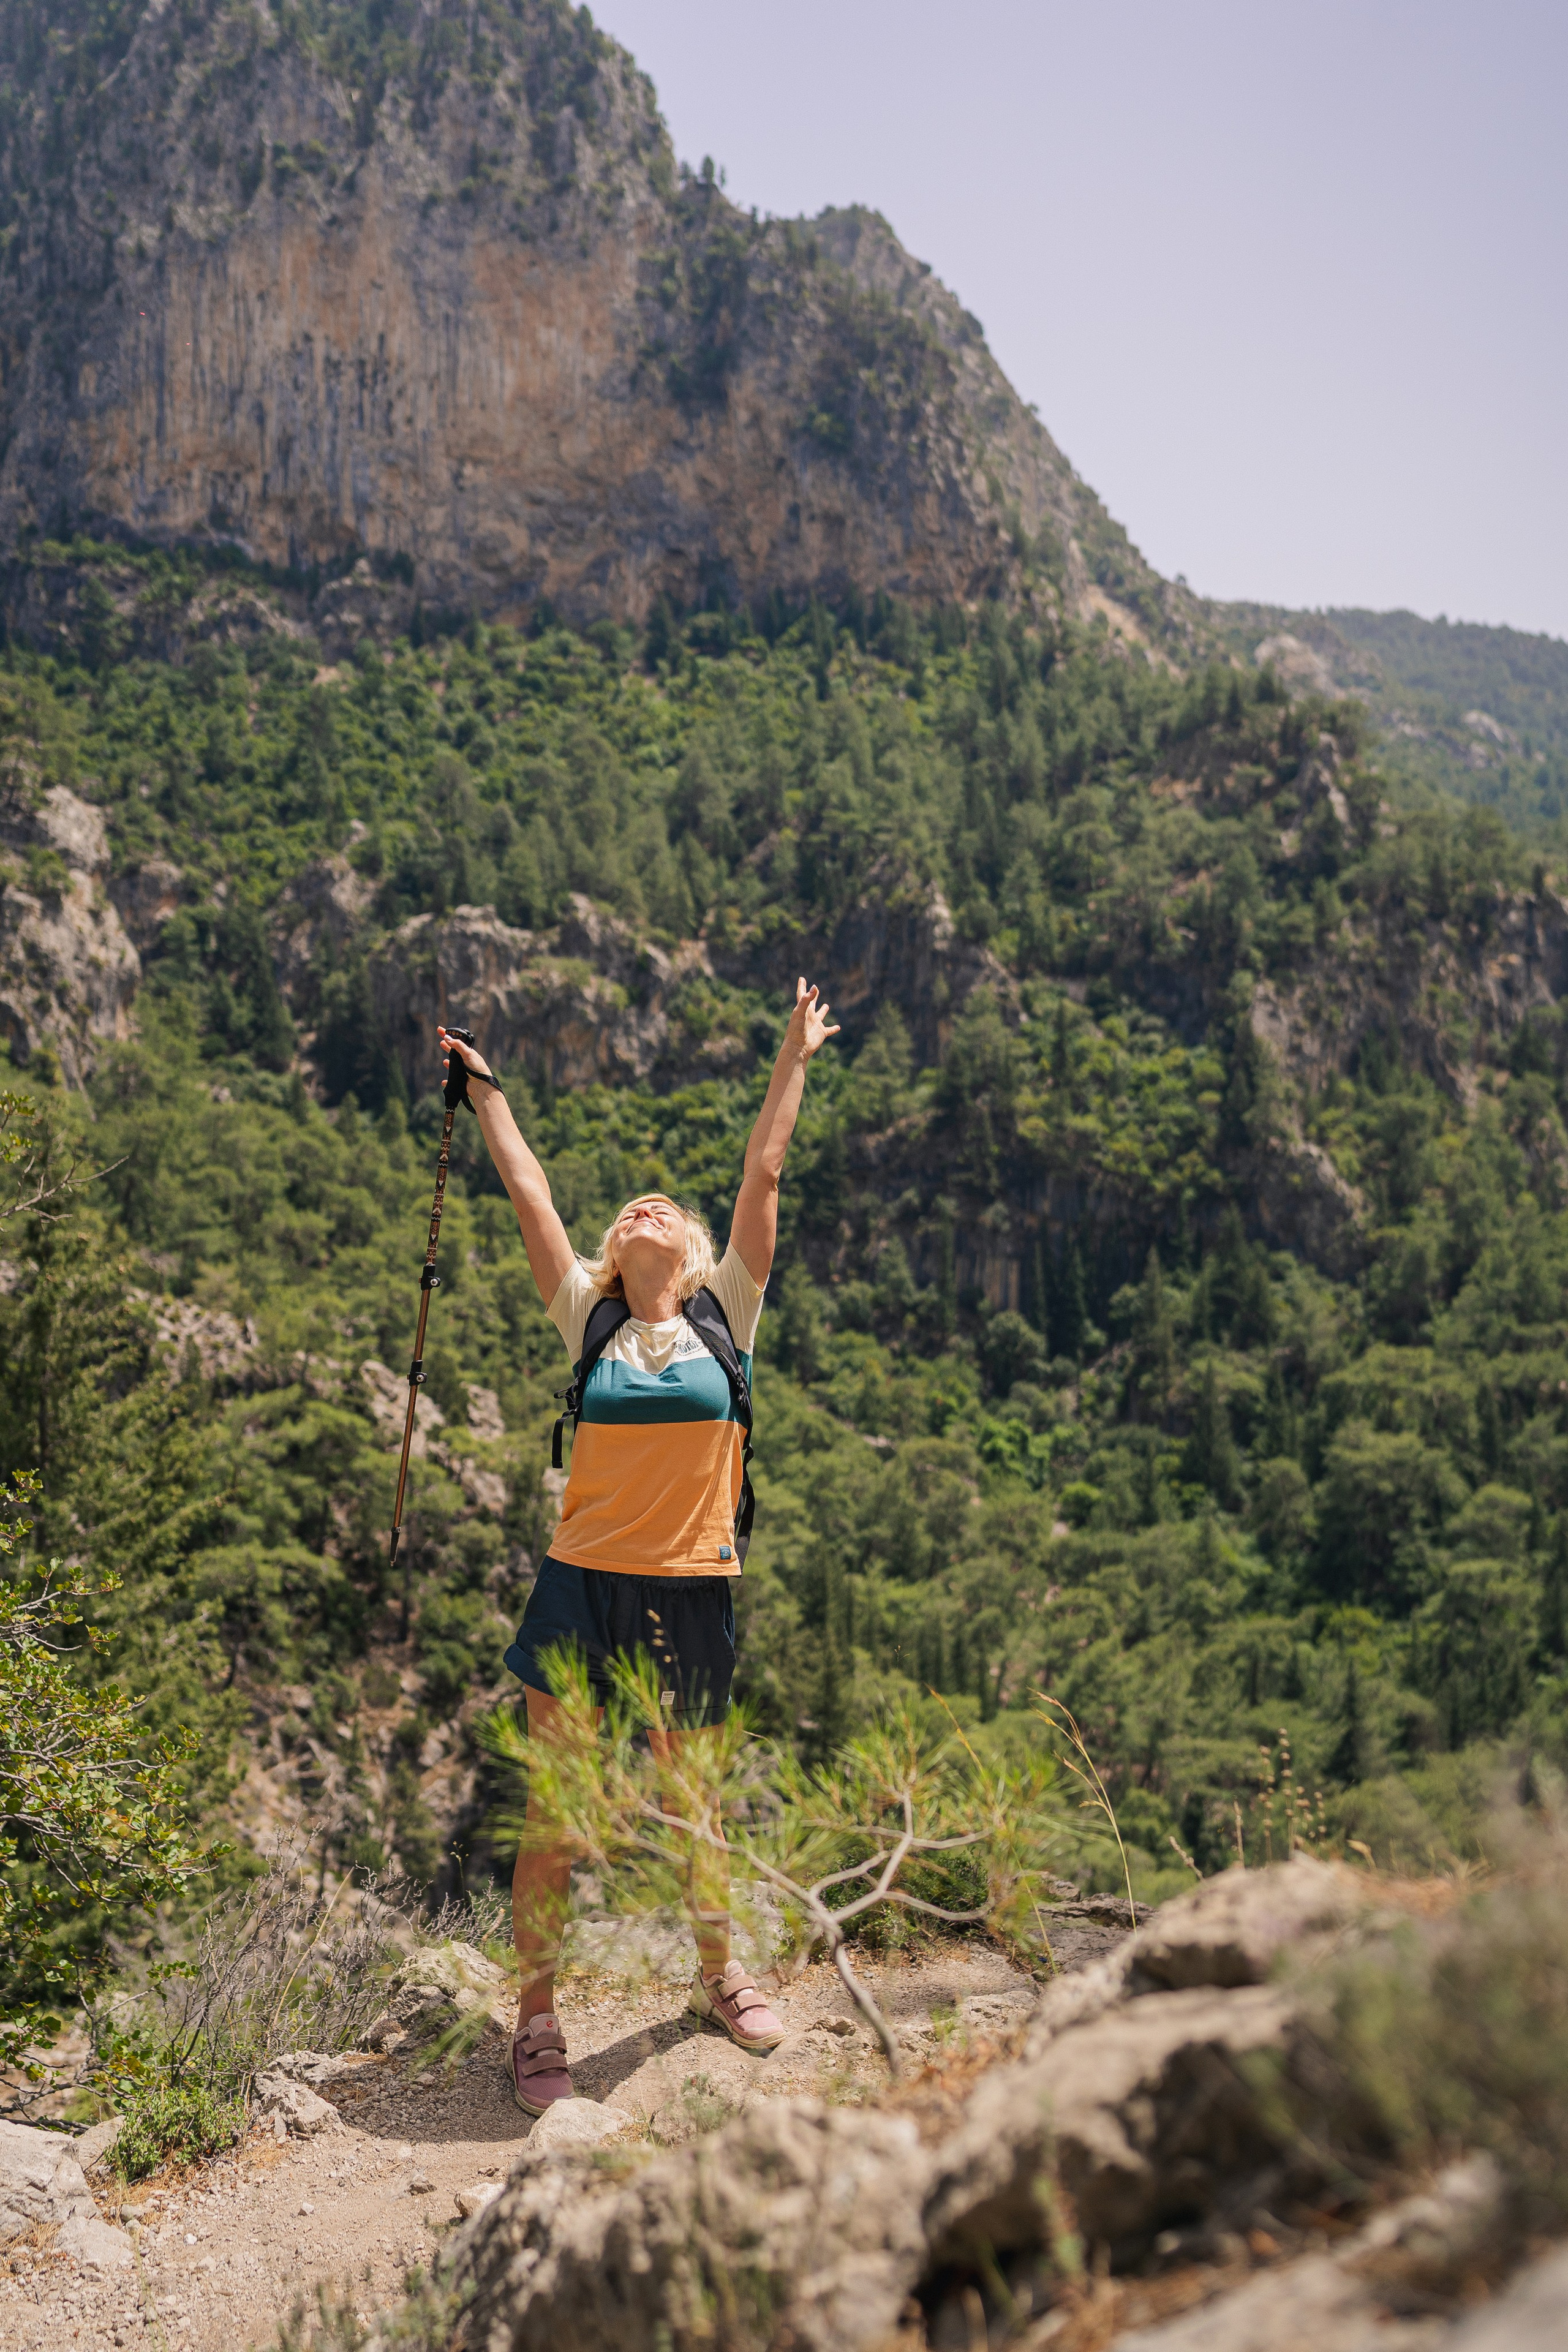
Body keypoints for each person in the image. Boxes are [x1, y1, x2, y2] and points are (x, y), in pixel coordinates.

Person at [439, 977, 840, 2116]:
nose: (646, 1207)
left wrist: (792, 1053)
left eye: (664, 1207)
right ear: (618, 1252)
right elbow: (528, 1191)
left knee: (693, 1806)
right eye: (632, 1212)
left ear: (696, 1248)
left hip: (694, 1583)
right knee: (559, 1811)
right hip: (581, 1584)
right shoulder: (590, 1314)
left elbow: (764, 1171)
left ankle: (720, 1974)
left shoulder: (728, 1313)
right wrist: (486, 1091)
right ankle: (537, 2020)